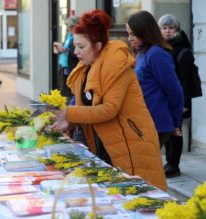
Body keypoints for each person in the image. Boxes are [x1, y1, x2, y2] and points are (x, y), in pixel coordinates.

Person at [48, 9, 167, 190]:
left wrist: (67, 113)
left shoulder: (117, 65)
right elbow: (83, 107)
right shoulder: (85, 67)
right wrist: (67, 121)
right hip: (103, 144)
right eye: (75, 46)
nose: (76, 52)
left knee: (137, 199)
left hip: (130, 143)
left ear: (97, 46)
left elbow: (108, 109)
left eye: (81, 47)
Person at [126, 11, 184, 148]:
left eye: (133, 34)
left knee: (146, 167)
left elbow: (175, 91)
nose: (129, 38)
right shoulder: (142, 53)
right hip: (144, 121)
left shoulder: (156, 54)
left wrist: (175, 123)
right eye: (128, 34)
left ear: (145, 32)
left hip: (156, 123)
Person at [158, 14, 201, 177]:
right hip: (165, 97)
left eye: (171, 28)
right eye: (164, 28)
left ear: (177, 30)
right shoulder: (161, 47)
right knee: (168, 130)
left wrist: (183, 103)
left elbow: (186, 79)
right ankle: (169, 162)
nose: (168, 31)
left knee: (175, 131)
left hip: (178, 98)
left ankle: (173, 164)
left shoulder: (182, 50)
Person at [53, 16, 79, 102]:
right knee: (65, 90)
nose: (70, 29)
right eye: (69, 27)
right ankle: (67, 108)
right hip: (65, 66)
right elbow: (66, 46)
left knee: (73, 91)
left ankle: (71, 109)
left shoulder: (79, 36)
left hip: (73, 67)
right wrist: (60, 48)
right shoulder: (69, 35)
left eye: (71, 27)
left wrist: (65, 50)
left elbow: (78, 52)